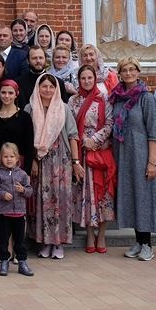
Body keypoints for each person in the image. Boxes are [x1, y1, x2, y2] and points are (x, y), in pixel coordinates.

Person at [109, 57, 156, 262]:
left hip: (141, 154)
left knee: (144, 196)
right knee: (130, 197)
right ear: (119, 73)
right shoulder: (117, 98)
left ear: (138, 72)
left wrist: (151, 161)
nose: (128, 73)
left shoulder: (146, 98)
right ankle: (138, 240)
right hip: (123, 154)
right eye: (124, 70)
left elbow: (153, 132)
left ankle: (148, 243)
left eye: (132, 69)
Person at [26, 74, 80, 260]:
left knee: (60, 199)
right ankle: (44, 242)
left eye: (51, 86)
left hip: (61, 160)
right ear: (38, 88)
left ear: (56, 89)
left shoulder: (63, 108)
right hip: (39, 162)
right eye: (44, 86)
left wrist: (76, 162)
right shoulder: (30, 108)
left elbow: (73, 136)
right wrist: (33, 159)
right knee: (42, 200)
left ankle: (58, 242)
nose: (47, 90)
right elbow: (27, 139)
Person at [69, 64, 116, 254]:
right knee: (85, 194)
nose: (86, 81)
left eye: (90, 78)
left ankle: (102, 234)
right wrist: (81, 144)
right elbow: (70, 125)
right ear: (78, 80)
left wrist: (94, 140)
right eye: (83, 78)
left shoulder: (104, 98)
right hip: (80, 151)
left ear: (95, 78)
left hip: (99, 150)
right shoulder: (73, 101)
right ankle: (89, 233)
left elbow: (110, 123)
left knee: (102, 193)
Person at [0, 142, 34, 277]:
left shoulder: (22, 174)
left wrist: (23, 190)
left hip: (19, 214)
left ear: (17, 158)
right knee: (3, 240)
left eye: (12, 156)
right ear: (1, 158)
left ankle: (22, 262)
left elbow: (30, 191)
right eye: (5, 156)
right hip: (4, 214)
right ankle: (4, 261)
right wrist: (2, 194)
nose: (9, 159)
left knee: (20, 240)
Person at [0, 79, 35, 176]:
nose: (7, 96)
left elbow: (29, 146)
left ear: (16, 94)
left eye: (10, 93)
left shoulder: (24, 117)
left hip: (19, 166)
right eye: (3, 92)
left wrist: (27, 173)